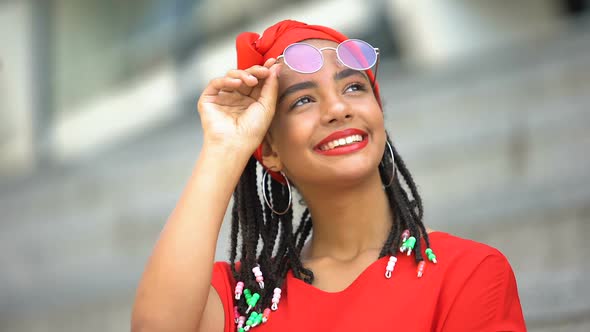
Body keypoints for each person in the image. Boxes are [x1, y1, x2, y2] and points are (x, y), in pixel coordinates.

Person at [131, 20, 527, 332]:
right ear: (269, 151)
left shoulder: (468, 273)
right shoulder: (239, 296)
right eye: (303, 99)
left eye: (354, 87)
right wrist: (225, 146)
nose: (338, 108)